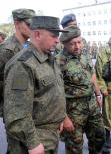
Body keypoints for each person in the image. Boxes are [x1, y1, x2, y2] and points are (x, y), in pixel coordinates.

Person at [3, 16, 67, 154]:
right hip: (34, 140)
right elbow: (16, 112)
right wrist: (33, 143)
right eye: (53, 35)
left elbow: (54, 93)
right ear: (37, 34)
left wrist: (60, 117)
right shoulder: (22, 65)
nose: (57, 40)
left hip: (50, 135)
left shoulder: (49, 59)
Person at [56, 25, 105, 154]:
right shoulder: (58, 62)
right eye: (73, 44)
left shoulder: (85, 53)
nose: (77, 46)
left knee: (99, 137)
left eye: (79, 42)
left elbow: (92, 73)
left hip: (92, 104)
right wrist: (64, 117)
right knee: (75, 146)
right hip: (73, 110)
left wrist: (98, 95)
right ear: (65, 44)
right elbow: (56, 93)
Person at [0, 8, 35, 117]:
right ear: (17, 23)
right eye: (29, 24)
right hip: (15, 108)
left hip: (30, 104)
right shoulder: (7, 49)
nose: (33, 28)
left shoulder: (30, 46)